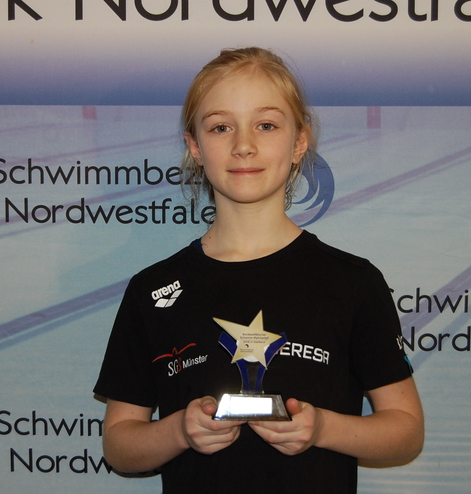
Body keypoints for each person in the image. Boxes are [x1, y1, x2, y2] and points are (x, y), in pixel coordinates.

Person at [93, 47, 424, 493]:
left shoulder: (352, 282)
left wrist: (323, 428)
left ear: (300, 142)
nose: (243, 145)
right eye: (221, 127)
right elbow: (119, 444)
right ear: (195, 146)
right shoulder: (152, 290)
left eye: (266, 125)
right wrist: (179, 431)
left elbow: (406, 430)